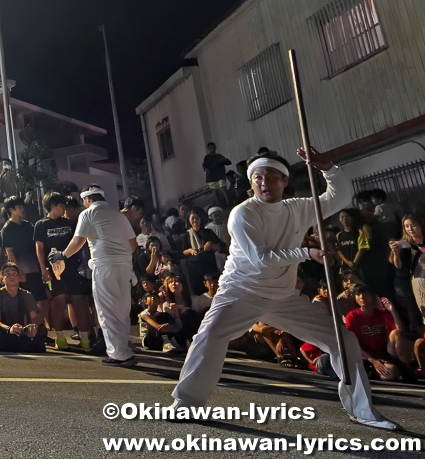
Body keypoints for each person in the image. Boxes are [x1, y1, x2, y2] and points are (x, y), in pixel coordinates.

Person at [169, 148, 399, 430]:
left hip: (283, 296)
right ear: (251, 182)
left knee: (344, 340)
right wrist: (307, 253)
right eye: (257, 177)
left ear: (284, 181)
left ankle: (362, 410)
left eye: (271, 177)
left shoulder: (297, 207)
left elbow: (336, 197)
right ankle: (186, 404)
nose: (264, 182)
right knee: (209, 336)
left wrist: (328, 169)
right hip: (241, 290)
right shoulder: (242, 213)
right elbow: (260, 258)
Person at [49, 184, 137, 367]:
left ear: (88, 199)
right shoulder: (118, 215)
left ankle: (119, 354)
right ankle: (124, 350)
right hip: (125, 268)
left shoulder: (88, 214)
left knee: (107, 311)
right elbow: (133, 244)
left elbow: (78, 241)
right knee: (122, 310)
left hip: (105, 267)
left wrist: (62, 255)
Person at [34, 192, 90, 351]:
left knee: (79, 301)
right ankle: (60, 336)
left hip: (74, 268)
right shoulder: (41, 224)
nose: (64, 208)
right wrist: (43, 269)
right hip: (54, 271)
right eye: (61, 205)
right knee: (58, 302)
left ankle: (85, 339)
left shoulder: (69, 222)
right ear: (52, 206)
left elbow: (78, 242)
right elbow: (39, 248)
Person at [346, 285, 414, 382]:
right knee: (391, 373)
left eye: (366, 294)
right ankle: (383, 371)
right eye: (358, 294)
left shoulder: (382, 313)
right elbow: (352, 343)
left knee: (396, 333)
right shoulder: (352, 316)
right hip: (368, 357)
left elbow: (400, 331)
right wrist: (373, 360)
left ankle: (407, 368)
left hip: (388, 354)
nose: (361, 297)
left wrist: (392, 311)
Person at [1, 195, 47, 319]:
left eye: (22, 206)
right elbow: (9, 252)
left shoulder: (28, 226)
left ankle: (42, 331)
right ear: (11, 210)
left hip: (35, 268)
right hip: (22, 272)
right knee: (26, 303)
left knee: (41, 300)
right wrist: (18, 271)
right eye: (19, 207)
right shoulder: (7, 229)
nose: (22, 209)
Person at [0, 262, 47, 353]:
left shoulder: (26, 294)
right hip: (6, 331)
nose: (12, 277)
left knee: (42, 329)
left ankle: (20, 345)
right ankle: (24, 346)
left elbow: (34, 316)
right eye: (8, 274)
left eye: (14, 274)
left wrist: (33, 326)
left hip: (23, 331)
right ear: (2, 279)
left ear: (19, 277)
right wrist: (9, 329)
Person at [389, 215, 425, 334]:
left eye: (413, 225)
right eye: (407, 226)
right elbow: (398, 266)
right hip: (420, 281)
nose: (410, 229)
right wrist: (395, 251)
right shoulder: (406, 245)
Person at [202, 142, 231, 207]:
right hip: (212, 177)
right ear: (208, 149)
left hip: (220, 175)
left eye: (213, 147)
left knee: (223, 189)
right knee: (215, 192)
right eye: (211, 147)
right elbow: (204, 166)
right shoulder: (207, 157)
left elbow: (228, 162)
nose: (212, 149)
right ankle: (220, 205)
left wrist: (222, 161)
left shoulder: (219, 156)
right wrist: (207, 170)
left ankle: (229, 203)